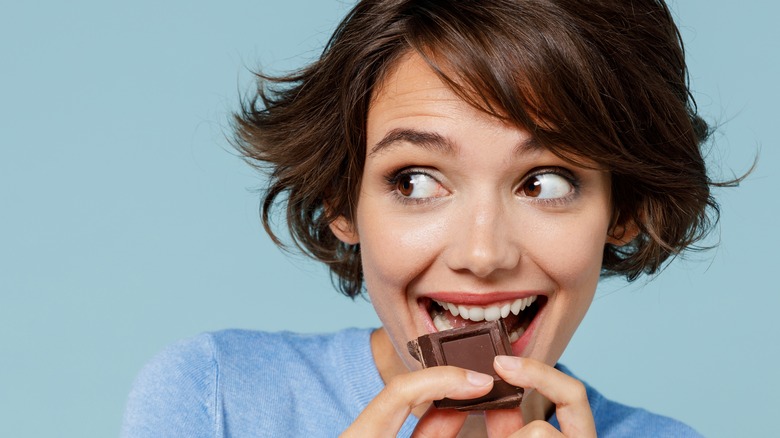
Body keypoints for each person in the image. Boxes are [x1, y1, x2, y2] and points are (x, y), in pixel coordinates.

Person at [122, 0, 725, 436]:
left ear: (621, 211)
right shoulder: (214, 397)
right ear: (340, 200)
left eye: (544, 183)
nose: (483, 254)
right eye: (415, 181)